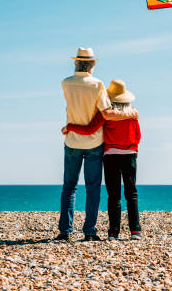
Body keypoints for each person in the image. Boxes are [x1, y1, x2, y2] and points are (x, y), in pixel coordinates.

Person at [56, 47, 137, 242]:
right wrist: (132, 113)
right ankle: (89, 231)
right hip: (94, 142)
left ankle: (65, 231)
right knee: (92, 188)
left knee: (69, 187)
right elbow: (107, 113)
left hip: (72, 139)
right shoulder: (97, 85)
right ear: (92, 64)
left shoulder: (66, 83)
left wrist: (69, 126)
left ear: (76, 63)